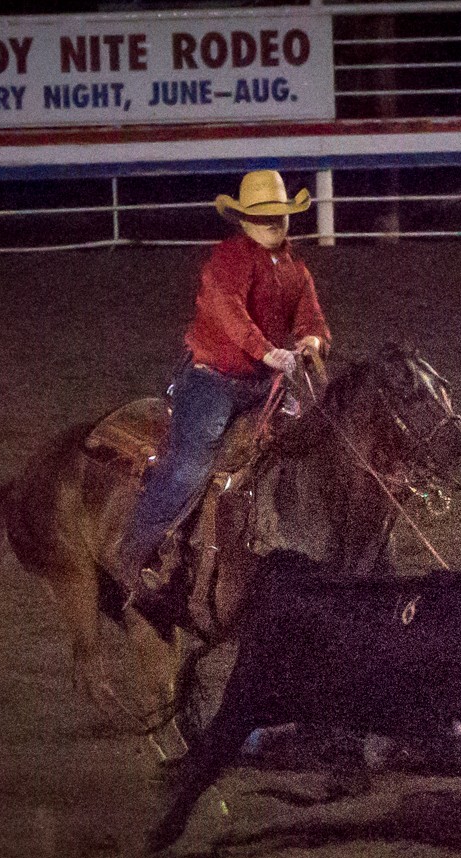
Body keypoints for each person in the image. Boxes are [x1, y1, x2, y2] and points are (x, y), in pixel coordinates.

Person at [112, 170, 331, 603]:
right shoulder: (227, 260)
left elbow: (311, 316)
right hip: (211, 379)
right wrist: (269, 352)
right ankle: (136, 548)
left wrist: (312, 339)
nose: (273, 224)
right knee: (193, 458)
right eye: (264, 217)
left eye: (278, 216)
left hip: (262, 385)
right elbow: (228, 312)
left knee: (301, 447)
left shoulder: (295, 269)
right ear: (246, 219)